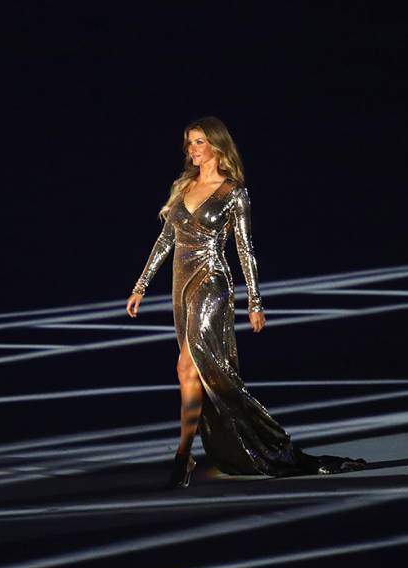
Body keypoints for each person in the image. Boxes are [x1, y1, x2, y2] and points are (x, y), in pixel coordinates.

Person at [126, 116, 366, 489]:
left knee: (189, 364)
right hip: (180, 286)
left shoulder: (233, 192)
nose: (192, 149)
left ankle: (183, 455)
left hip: (212, 282)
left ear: (218, 146)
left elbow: (245, 249)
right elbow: (164, 241)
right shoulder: (184, 186)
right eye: (189, 142)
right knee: (191, 373)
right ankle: (187, 455)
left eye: (199, 142)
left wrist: (255, 301)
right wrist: (140, 286)